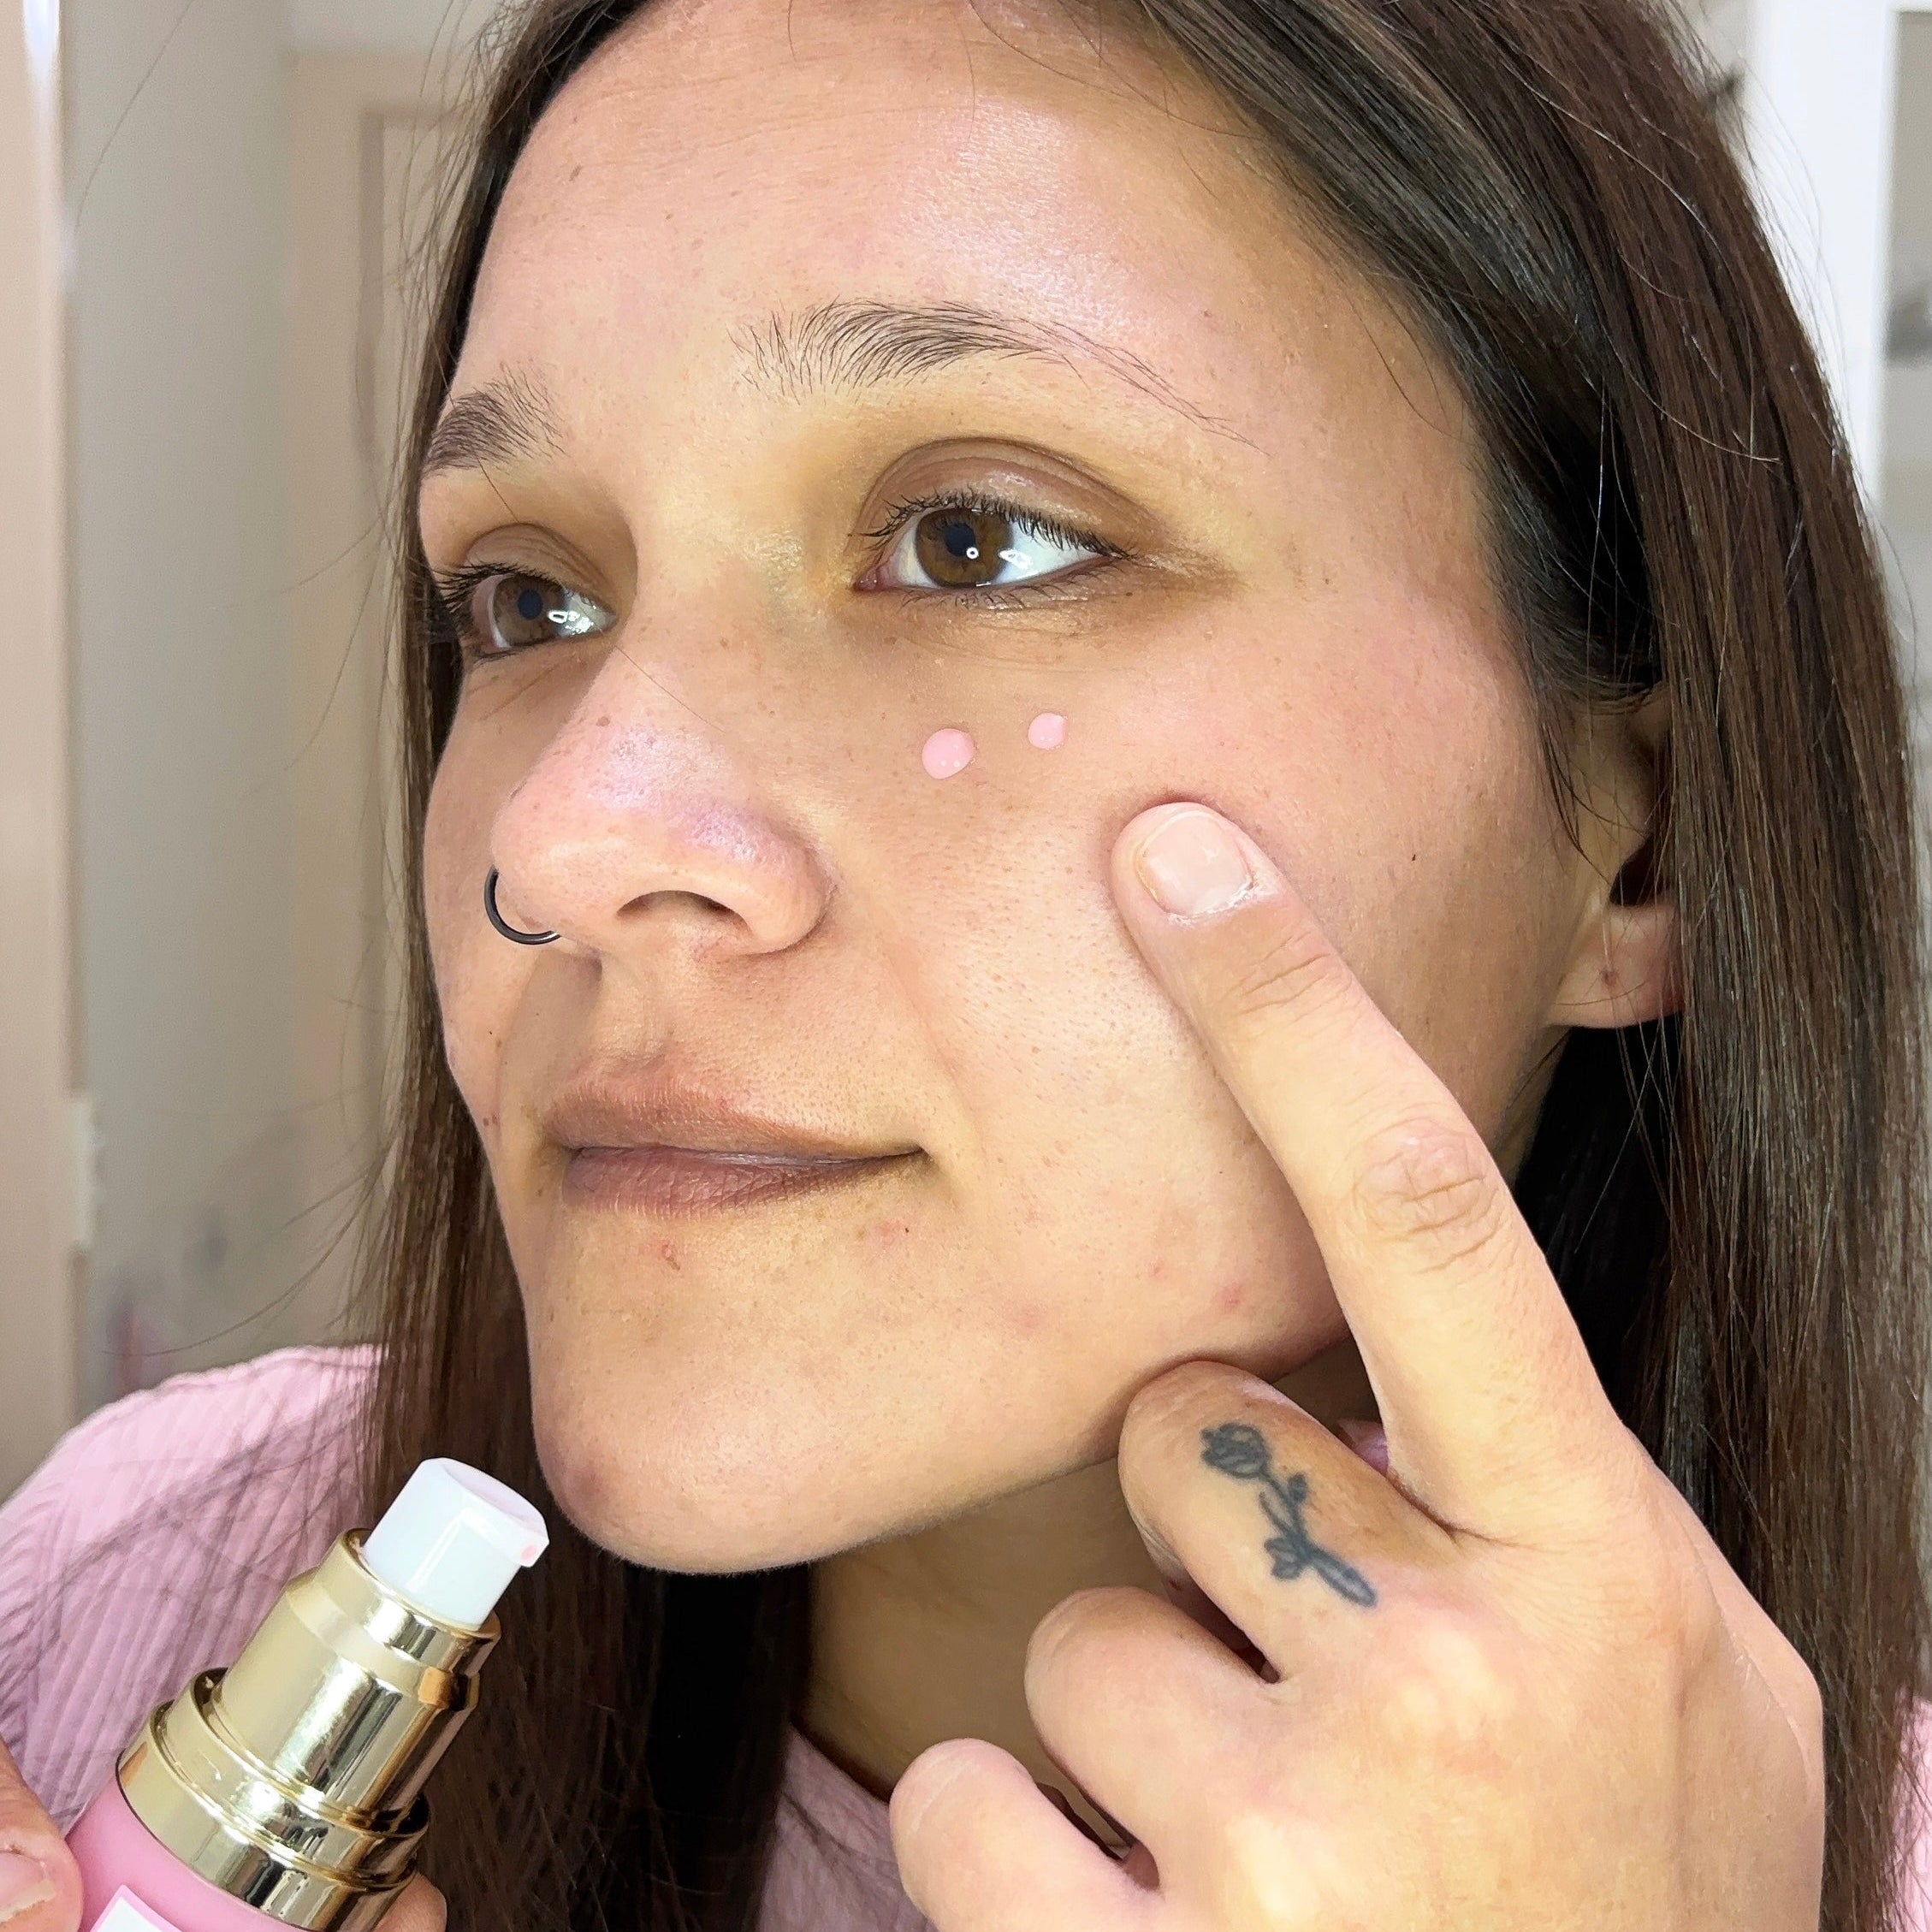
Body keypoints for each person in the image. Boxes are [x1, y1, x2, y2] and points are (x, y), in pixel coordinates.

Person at [3, 0, 1928, 1925]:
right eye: (531, 598)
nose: (566, 843)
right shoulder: (135, 1595)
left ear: (1637, 840)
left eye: (975, 541)